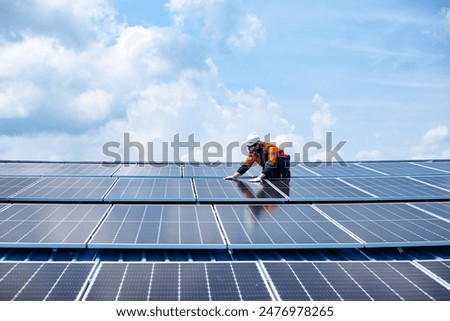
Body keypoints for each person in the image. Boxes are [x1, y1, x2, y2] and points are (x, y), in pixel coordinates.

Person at [224, 133, 290, 183]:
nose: (249, 148)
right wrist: (234, 176)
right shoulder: (254, 152)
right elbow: (246, 165)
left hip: (281, 174)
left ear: (257, 144)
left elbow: (271, 163)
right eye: (248, 147)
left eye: (251, 146)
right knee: (267, 192)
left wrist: (259, 177)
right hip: (269, 172)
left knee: (278, 195)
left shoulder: (271, 148)